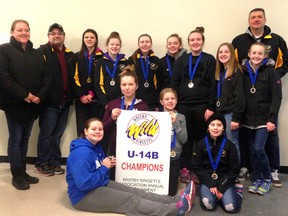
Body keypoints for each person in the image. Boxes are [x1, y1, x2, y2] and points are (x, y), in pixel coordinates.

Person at [66, 118, 196, 216]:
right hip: (83, 196)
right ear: (85, 131)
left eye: (100, 129)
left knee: (137, 192)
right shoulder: (81, 153)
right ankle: (176, 209)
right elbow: (83, 184)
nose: (98, 132)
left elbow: (97, 172)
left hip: (97, 184)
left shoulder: (96, 147)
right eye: (93, 129)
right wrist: (104, 167)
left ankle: (175, 199)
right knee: (130, 200)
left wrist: (106, 166)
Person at [232, 8, 288, 187]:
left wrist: (271, 77)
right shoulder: (239, 41)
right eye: (253, 17)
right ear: (249, 21)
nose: (256, 20)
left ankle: (273, 170)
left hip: (267, 104)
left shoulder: (277, 40)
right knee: (246, 139)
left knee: (271, 136)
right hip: (247, 103)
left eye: (259, 17)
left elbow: (285, 63)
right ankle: (248, 169)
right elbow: (234, 65)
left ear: (265, 19)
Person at [0, 20, 50, 190]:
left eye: (26, 30)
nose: (24, 33)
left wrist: (38, 97)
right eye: (20, 30)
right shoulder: (4, 50)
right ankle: (16, 175)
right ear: (12, 31)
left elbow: (45, 76)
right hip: (14, 103)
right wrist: (26, 95)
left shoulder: (36, 53)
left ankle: (23, 171)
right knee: (16, 138)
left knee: (25, 138)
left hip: (32, 104)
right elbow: (4, 78)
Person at [172, 27, 216, 183]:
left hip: (202, 106)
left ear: (202, 42)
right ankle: (185, 168)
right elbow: (175, 83)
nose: (195, 42)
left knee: (201, 138)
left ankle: (199, 169)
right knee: (185, 138)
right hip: (183, 105)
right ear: (188, 43)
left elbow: (213, 84)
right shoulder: (181, 60)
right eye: (192, 40)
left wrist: (211, 107)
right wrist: (174, 106)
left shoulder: (210, 60)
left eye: (198, 39)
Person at [35, 23, 76, 176]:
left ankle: (54, 162)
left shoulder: (70, 55)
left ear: (63, 36)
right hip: (49, 103)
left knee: (57, 135)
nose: (56, 35)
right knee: (46, 134)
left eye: (59, 33)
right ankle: (42, 163)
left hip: (65, 103)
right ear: (48, 36)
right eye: (53, 33)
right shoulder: (41, 52)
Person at [241, 42, 282, 195]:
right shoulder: (243, 71)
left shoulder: (271, 72)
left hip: (264, 120)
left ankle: (266, 178)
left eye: (260, 53)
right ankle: (257, 178)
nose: (256, 56)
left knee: (259, 148)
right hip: (247, 120)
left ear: (265, 56)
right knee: (252, 151)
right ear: (249, 54)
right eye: (254, 53)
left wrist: (271, 119)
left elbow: (276, 97)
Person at [102, 65, 149, 180]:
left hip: (135, 149)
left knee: (132, 176)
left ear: (137, 86)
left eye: (130, 84)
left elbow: (148, 132)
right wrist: (112, 118)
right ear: (120, 86)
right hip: (114, 147)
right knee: (114, 177)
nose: (127, 88)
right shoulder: (113, 104)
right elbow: (103, 128)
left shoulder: (143, 106)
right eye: (124, 85)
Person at [191, 113, 243, 213]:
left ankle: (238, 192)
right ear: (208, 127)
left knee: (231, 207)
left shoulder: (229, 145)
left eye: (219, 125)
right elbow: (196, 166)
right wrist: (211, 183)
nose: (215, 128)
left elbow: (234, 169)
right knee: (209, 204)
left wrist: (222, 187)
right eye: (212, 125)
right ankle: (215, 196)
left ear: (223, 128)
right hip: (207, 179)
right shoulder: (200, 144)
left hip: (225, 180)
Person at [214, 42, 245, 160]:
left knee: (232, 142)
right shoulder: (220, 71)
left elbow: (240, 97)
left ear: (232, 54)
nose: (223, 54)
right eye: (220, 52)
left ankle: (235, 171)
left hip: (231, 114)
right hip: (220, 112)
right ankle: (226, 168)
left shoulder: (236, 71)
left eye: (226, 52)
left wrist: (236, 118)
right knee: (223, 143)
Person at [73, 29, 104, 136]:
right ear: (83, 39)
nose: (89, 39)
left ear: (96, 40)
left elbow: (101, 79)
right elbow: (74, 78)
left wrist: (91, 94)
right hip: (81, 100)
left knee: (95, 131)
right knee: (82, 130)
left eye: (92, 37)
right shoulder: (77, 56)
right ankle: (83, 152)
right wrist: (81, 95)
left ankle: (94, 153)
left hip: (96, 100)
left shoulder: (102, 57)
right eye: (86, 37)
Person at [159, 88, 187, 196]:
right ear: (162, 101)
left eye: (173, 98)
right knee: (159, 188)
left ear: (176, 100)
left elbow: (184, 139)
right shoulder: (157, 117)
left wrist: (176, 123)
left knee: (171, 192)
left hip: (175, 156)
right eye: (167, 99)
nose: (170, 101)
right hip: (160, 157)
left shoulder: (181, 117)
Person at [129, 34, 163, 111]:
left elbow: (160, 83)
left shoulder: (156, 60)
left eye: (147, 42)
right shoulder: (132, 60)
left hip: (152, 101)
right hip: (136, 100)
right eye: (142, 42)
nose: (145, 44)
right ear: (138, 44)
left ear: (151, 44)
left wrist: (158, 102)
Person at [94, 31, 128, 110]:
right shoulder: (100, 62)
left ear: (120, 46)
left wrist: (122, 102)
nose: (114, 46)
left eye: (117, 45)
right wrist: (106, 104)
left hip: (121, 104)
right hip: (104, 104)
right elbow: (98, 85)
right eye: (112, 44)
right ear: (107, 46)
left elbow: (127, 84)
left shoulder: (125, 62)